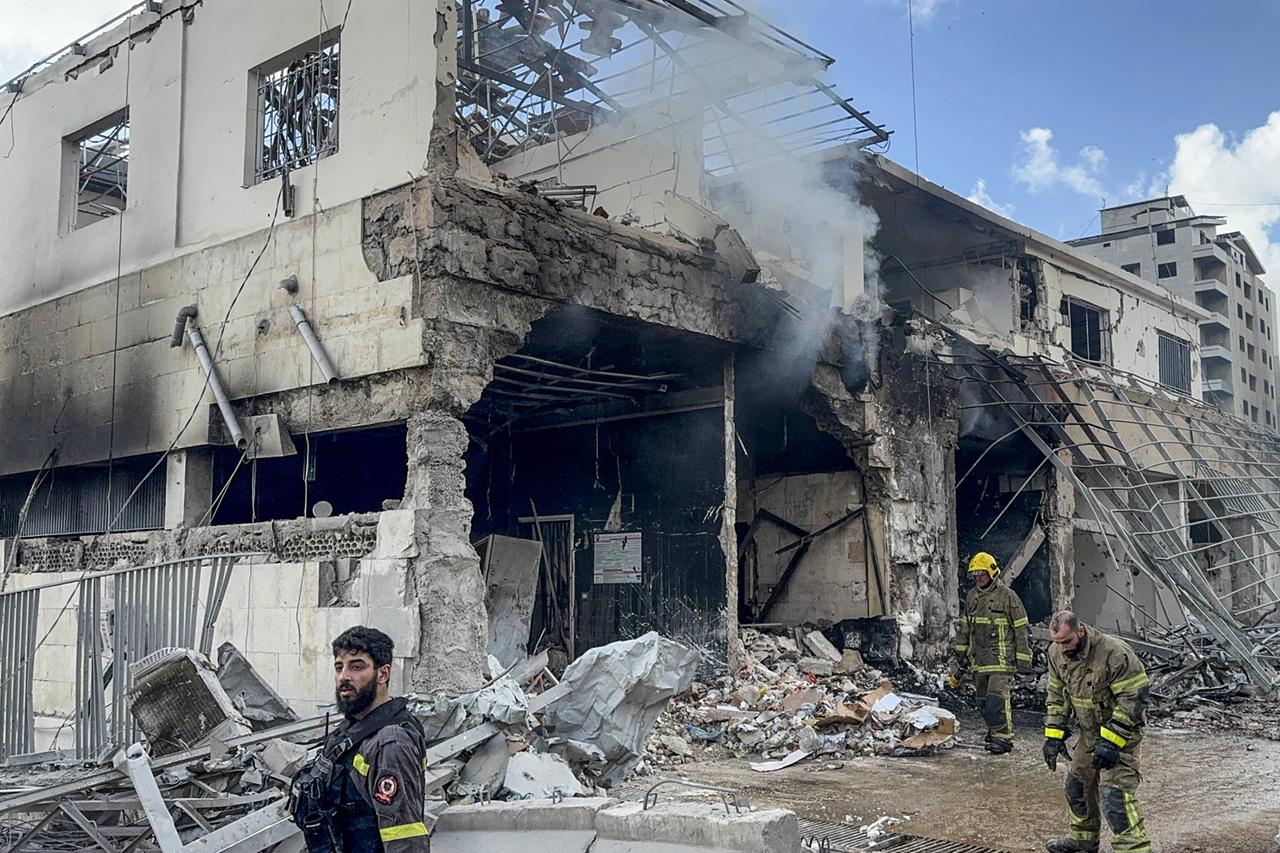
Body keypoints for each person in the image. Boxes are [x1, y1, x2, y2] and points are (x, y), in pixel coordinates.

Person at [290, 626, 430, 852]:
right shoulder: (353, 728)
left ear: (383, 674)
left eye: (356, 667)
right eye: (339, 667)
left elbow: (405, 839)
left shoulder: (391, 743)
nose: (344, 677)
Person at [1042, 610, 1152, 853]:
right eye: (1057, 643)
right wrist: (1053, 736)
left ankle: (1134, 849)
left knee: (1114, 796)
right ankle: (1083, 840)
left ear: (1080, 631)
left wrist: (1112, 741)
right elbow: (1056, 695)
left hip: (1122, 736)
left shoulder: (1114, 652)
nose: (1063, 649)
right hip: (1090, 734)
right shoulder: (1056, 653)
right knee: (1077, 786)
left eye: (1067, 641)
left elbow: (1134, 698)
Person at [949, 551, 1031, 754]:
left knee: (996, 700)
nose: (978, 578)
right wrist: (961, 652)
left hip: (1001, 659)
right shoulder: (972, 597)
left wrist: (1023, 659)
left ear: (992, 572)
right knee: (983, 702)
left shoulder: (1008, 597)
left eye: (982, 574)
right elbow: (965, 627)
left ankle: (1003, 739)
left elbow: (1021, 629)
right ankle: (994, 731)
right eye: (975, 575)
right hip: (979, 660)